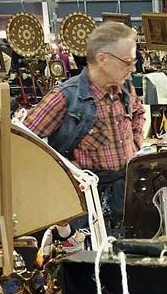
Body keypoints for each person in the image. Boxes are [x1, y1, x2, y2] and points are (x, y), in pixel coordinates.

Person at [22, 21, 145, 228]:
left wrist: (135, 144)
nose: (133, 68)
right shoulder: (66, 97)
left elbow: (139, 112)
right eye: (127, 61)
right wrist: (64, 169)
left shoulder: (124, 89)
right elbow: (24, 140)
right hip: (86, 201)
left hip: (124, 192)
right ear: (102, 59)